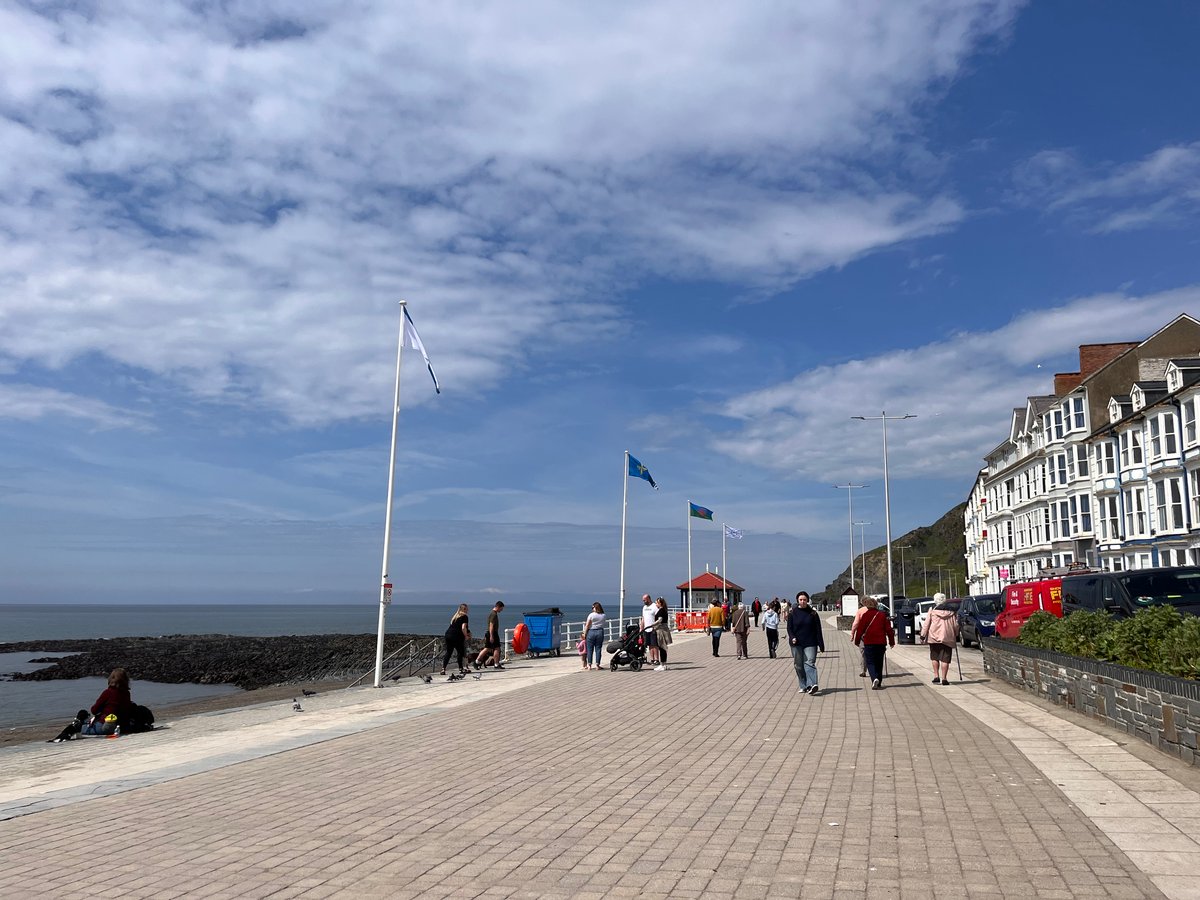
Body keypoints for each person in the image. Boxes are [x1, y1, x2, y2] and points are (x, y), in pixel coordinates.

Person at [52, 668, 138, 741]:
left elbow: (94, 710)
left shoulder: (108, 693)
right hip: (121, 725)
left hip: (104, 725)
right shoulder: (127, 694)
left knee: (81, 724)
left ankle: (75, 727)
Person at [850, 596, 895, 689]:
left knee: (870, 662)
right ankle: (878, 681)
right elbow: (889, 630)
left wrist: (857, 641)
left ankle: (874, 678)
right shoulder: (882, 615)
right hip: (881, 642)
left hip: (869, 642)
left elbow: (860, 630)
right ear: (876, 605)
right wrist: (891, 642)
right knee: (879, 662)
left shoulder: (865, 615)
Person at [786, 592, 825, 694]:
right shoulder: (792, 613)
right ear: (797, 601)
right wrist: (792, 637)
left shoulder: (813, 613)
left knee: (809, 663)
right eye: (801, 600)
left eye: (804, 600)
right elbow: (789, 628)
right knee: (798, 665)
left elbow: (818, 630)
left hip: (810, 642)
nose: (803, 602)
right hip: (796, 643)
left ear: (808, 600)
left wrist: (821, 645)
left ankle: (812, 684)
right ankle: (804, 685)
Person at [921, 592, 960, 685]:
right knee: (945, 659)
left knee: (935, 657)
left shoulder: (932, 610)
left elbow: (926, 624)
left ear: (935, 601)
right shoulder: (951, 611)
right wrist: (956, 634)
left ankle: (936, 676)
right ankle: (944, 678)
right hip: (947, 637)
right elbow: (956, 625)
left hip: (934, 637)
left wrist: (923, 635)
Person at [473, 600, 505, 670]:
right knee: (497, 648)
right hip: (493, 633)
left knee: (487, 648)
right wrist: (491, 635)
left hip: (490, 633)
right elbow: (491, 625)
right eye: (501, 608)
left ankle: (477, 661)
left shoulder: (493, 613)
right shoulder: (493, 614)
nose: (501, 610)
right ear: (498, 607)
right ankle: (496, 664)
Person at [442, 604, 471, 675]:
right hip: (457, 636)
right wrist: (466, 635)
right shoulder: (464, 616)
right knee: (460, 652)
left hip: (448, 635)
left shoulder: (455, 616)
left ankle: (443, 669)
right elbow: (463, 627)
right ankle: (461, 669)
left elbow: (455, 626)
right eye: (467, 609)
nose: (468, 610)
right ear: (464, 609)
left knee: (449, 652)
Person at [583, 602, 607, 671]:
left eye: (592, 607)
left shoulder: (591, 615)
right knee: (598, 649)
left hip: (591, 632)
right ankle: (597, 665)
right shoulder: (603, 615)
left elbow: (587, 625)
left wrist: (584, 633)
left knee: (590, 649)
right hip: (600, 632)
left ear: (595, 608)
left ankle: (589, 665)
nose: (592, 609)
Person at [653, 596, 672, 671]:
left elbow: (660, 620)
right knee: (662, 648)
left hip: (661, 630)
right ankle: (663, 664)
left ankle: (662, 664)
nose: (655, 603)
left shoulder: (661, 610)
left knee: (662, 647)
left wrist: (653, 624)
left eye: (656, 602)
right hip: (663, 629)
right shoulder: (663, 610)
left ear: (660, 603)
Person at [640, 594, 659, 666]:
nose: (643, 601)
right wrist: (641, 627)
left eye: (644, 600)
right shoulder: (644, 607)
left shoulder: (654, 606)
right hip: (646, 628)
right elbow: (643, 618)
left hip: (653, 628)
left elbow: (658, 617)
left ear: (648, 599)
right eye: (643, 600)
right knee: (649, 645)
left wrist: (656, 626)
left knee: (654, 644)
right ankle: (652, 659)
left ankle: (657, 659)